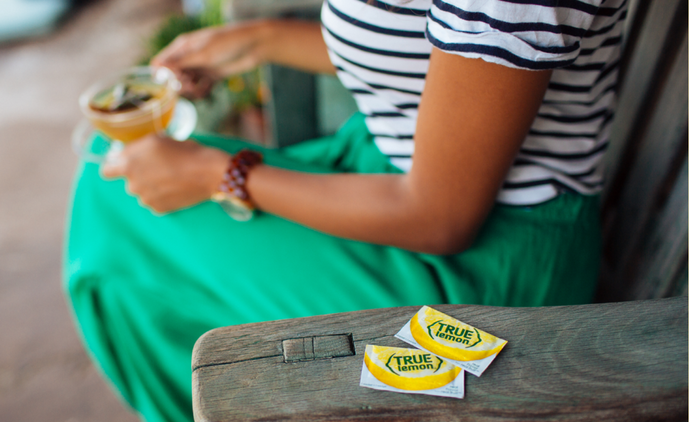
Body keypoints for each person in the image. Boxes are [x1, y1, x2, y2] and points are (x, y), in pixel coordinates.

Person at [65, 0, 626, 420]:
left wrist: (220, 175)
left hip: (480, 265)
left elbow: (441, 217)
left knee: (120, 214)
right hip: (385, 173)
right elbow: (423, 54)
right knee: (115, 176)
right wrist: (258, 41)